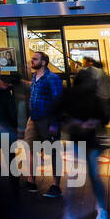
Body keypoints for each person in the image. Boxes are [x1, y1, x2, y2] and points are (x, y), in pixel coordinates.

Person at [59, 58, 110, 219]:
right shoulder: (80, 96)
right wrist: (79, 123)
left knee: (79, 176)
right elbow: (105, 115)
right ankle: (99, 209)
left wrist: (89, 123)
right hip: (83, 139)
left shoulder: (82, 96)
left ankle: (76, 210)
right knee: (88, 176)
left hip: (85, 140)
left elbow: (104, 116)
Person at [24, 51, 64, 197]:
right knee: (30, 148)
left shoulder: (52, 78)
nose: (31, 61)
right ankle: (31, 181)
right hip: (33, 118)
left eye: (35, 59)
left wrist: (54, 122)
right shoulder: (35, 77)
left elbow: (58, 101)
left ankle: (56, 186)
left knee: (53, 151)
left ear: (44, 62)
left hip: (47, 119)